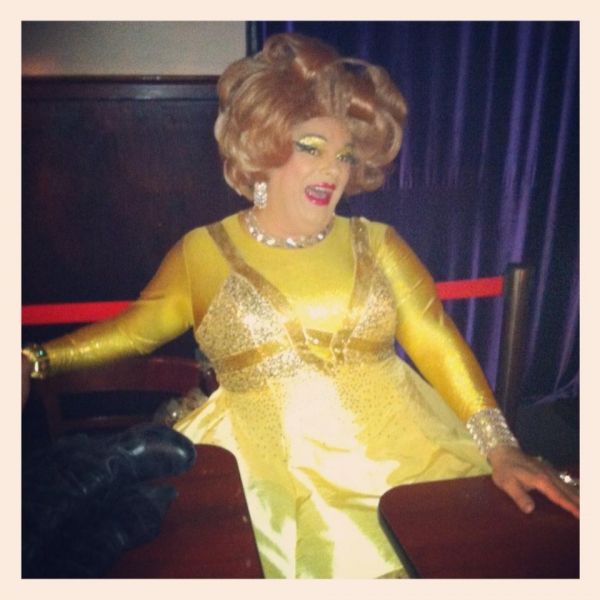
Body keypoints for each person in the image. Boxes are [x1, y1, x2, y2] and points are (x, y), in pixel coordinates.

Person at [22, 33, 579, 578]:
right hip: (266, 478)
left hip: (404, 459)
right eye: (312, 147)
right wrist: (34, 360)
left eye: (345, 155)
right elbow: (135, 331)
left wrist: (502, 448)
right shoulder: (203, 251)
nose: (333, 170)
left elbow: (436, 341)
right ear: (264, 145)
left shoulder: (379, 242)